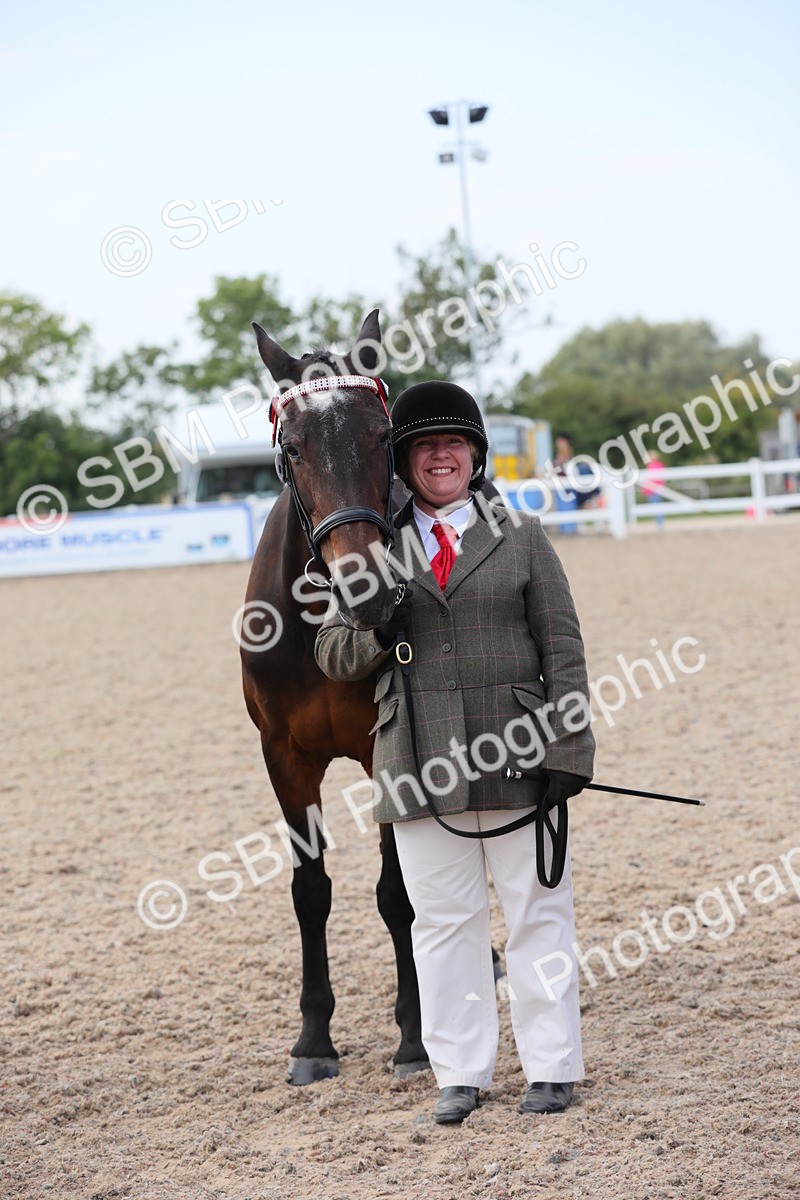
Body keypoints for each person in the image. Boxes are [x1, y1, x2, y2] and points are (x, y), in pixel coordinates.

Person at [315, 382, 595, 1124]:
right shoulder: (371, 551)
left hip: (519, 754)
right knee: (442, 924)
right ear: (404, 463)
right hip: (416, 759)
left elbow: (563, 647)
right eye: (424, 446)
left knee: (537, 915)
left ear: (474, 456)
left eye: (454, 444)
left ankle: (552, 1064)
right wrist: (377, 624)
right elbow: (332, 652)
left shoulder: (524, 535)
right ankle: (461, 1072)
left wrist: (570, 747)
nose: (441, 455)